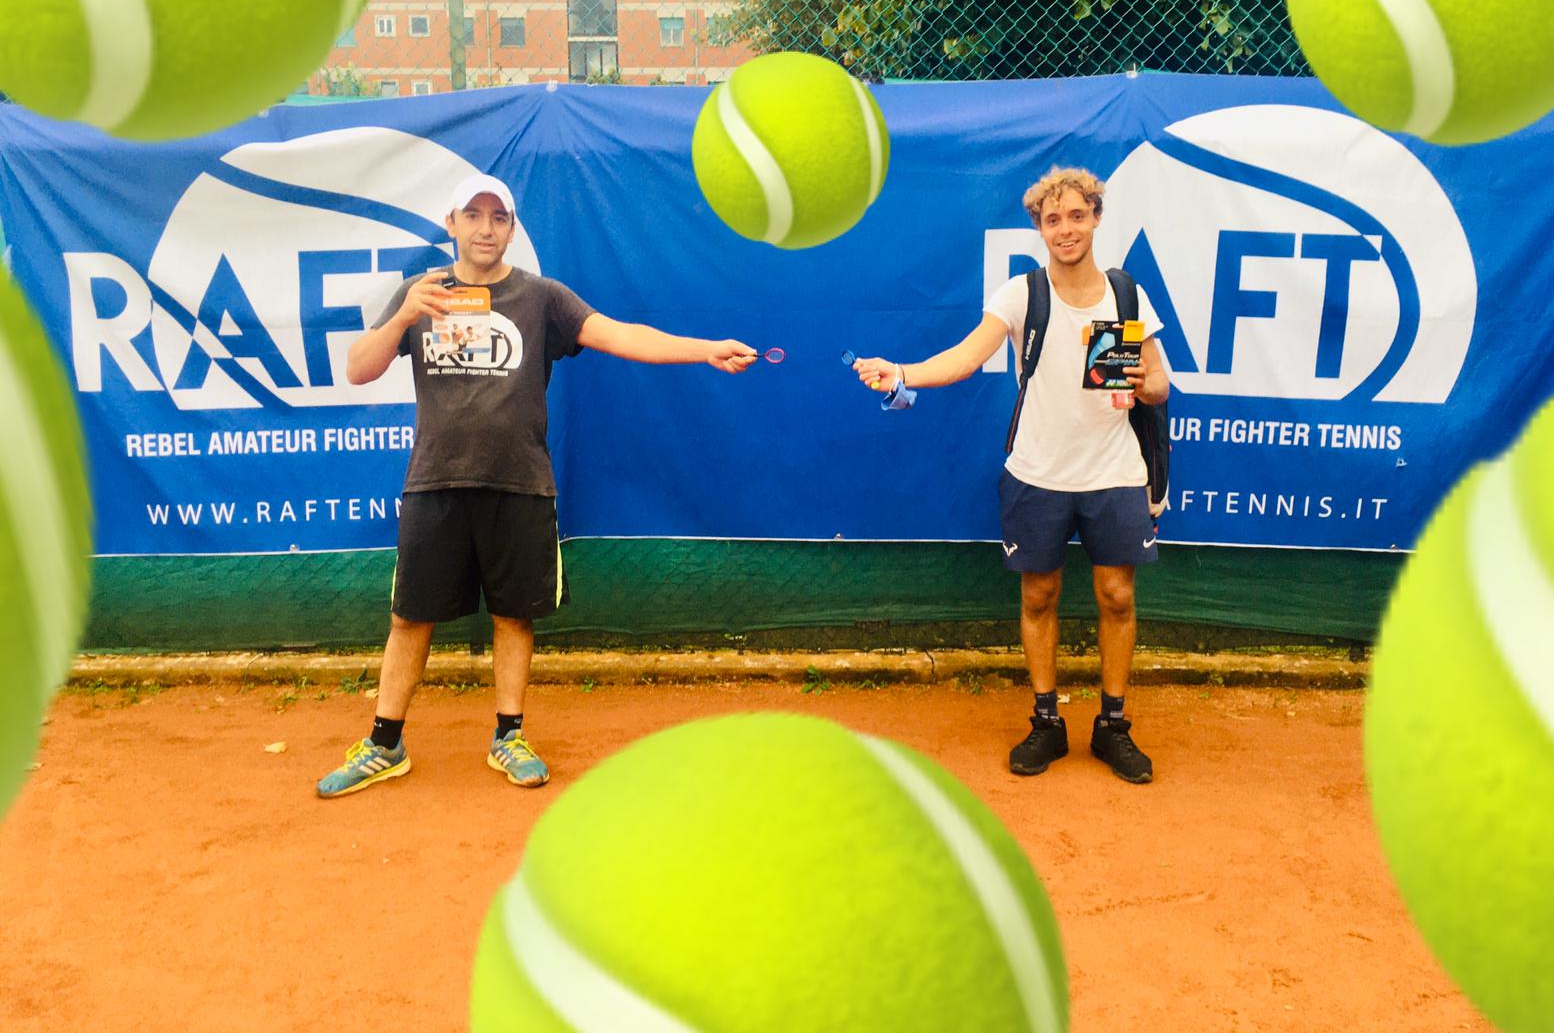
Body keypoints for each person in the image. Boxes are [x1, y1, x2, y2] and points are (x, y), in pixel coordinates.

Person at [317, 173, 757, 797]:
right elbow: (359, 370)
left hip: (520, 484)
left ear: (513, 229)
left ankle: (509, 735)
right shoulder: (420, 294)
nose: (486, 228)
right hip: (434, 483)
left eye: (499, 218)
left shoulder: (541, 297)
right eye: (474, 215)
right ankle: (384, 744)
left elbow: (621, 334)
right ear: (452, 224)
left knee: (514, 615)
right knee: (410, 616)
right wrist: (405, 316)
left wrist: (703, 349)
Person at [851, 166, 1170, 783]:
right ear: (1039, 229)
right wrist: (902, 372)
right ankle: (1047, 721)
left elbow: (1159, 381)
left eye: (1077, 216)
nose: (1066, 229)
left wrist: (1142, 382)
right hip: (1037, 473)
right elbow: (965, 359)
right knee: (1039, 595)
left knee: (1118, 596)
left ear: (1096, 218)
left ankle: (1112, 726)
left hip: (1114, 473)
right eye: (1053, 220)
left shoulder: (1125, 295)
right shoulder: (1023, 294)